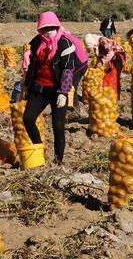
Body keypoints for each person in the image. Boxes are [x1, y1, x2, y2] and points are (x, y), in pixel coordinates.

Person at [19, 12, 85, 165]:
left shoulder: (65, 44)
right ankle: (39, 148)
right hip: (39, 88)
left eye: (51, 28)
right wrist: (27, 85)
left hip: (57, 90)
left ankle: (58, 161)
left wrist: (63, 92)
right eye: (44, 29)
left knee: (58, 125)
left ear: (57, 27)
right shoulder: (36, 43)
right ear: (40, 30)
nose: (48, 32)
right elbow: (32, 67)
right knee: (28, 118)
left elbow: (68, 70)